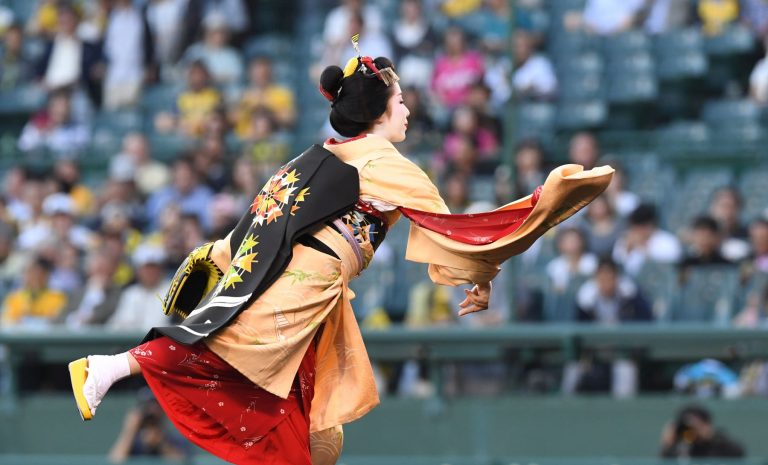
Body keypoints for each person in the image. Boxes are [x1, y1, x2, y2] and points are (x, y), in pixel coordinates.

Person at [68, 43, 613, 465]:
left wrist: (219, 252)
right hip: (306, 283)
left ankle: (115, 368)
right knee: (226, 352)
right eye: (400, 101)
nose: (407, 110)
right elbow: (457, 228)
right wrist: (505, 246)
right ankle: (109, 366)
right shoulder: (388, 163)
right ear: (378, 109)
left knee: (313, 427)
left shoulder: (319, 153)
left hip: (308, 288)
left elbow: (264, 213)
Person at [659, 404, 745, 457]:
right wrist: (667, 444)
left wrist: (709, 436)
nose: (691, 430)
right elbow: (665, 459)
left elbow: (738, 453)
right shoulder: (680, 446)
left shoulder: (720, 443)